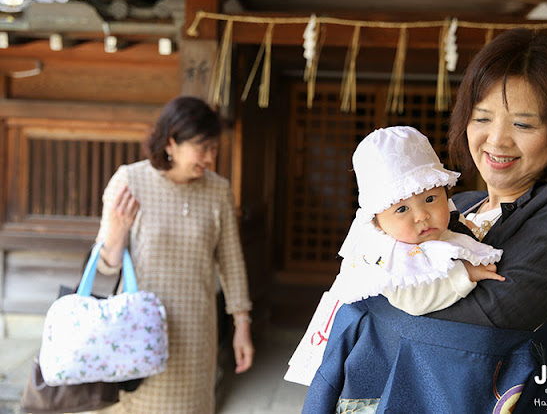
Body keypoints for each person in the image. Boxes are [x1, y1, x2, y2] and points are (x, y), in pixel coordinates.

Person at [303, 29, 547, 413]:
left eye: (524, 124)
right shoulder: (455, 207)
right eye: (482, 117)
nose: (496, 141)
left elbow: (493, 317)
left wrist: (380, 295)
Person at [286, 126, 504, 388]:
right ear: (377, 222)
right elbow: (414, 300)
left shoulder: (430, 233)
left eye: (431, 198)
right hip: (381, 360)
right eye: (402, 208)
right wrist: (464, 274)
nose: (422, 215)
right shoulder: (389, 256)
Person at [95, 96, 254, 413]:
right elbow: (105, 267)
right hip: (137, 331)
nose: (209, 156)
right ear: (171, 142)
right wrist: (115, 231)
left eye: (214, 147)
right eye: (201, 146)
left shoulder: (218, 190)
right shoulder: (130, 180)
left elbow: (231, 261)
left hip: (196, 329)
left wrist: (242, 326)